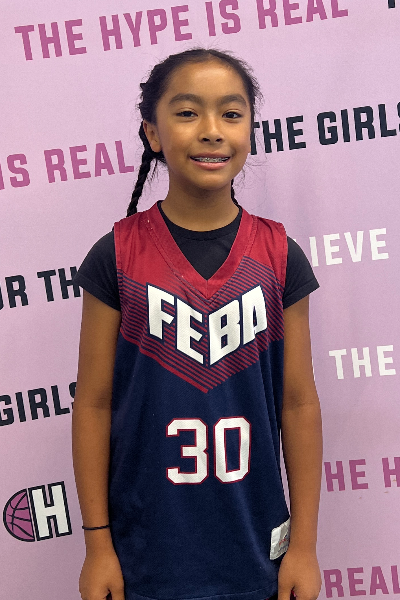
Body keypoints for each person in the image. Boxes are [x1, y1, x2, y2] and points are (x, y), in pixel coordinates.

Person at [72, 48, 322, 600]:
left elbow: (299, 403)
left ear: (249, 131)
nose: (211, 130)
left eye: (231, 114)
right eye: (187, 113)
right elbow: (92, 404)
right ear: (152, 132)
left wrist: (304, 546)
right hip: (144, 555)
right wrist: (97, 545)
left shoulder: (280, 255)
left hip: (256, 552)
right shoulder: (116, 255)